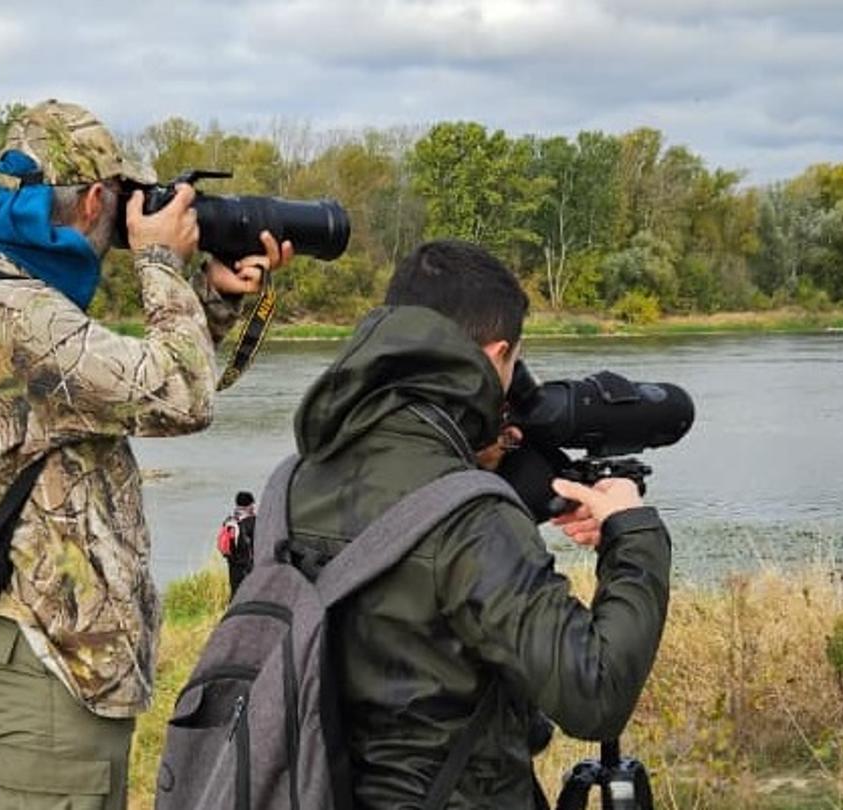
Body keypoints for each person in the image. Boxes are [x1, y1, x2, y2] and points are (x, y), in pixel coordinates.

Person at [0, 100, 291, 810]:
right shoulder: (9, 314)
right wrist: (160, 259)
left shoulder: (17, 301)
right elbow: (182, 397)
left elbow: (144, 386)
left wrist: (212, 299)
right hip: (47, 657)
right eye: (124, 204)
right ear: (97, 198)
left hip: (57, 651)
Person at [283, 239, 673, 807]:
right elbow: (596, 695)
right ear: (494, 357)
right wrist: (632, 532)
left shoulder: (296, 478)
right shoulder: (469, 518)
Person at [218, 490, 257, 593]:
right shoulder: (253, 522)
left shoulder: (229, 521)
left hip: (233, 565)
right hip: (248, 566)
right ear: (251, 505)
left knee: (235, 594)